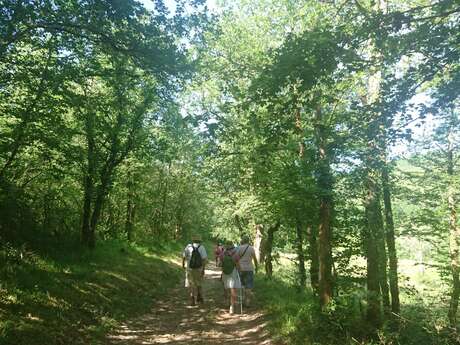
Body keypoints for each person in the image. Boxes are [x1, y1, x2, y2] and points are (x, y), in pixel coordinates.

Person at [182, 234, 207, 306]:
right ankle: (200, 297)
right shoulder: (202, 247)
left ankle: (192, 299)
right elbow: (204, 259)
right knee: (199, 282)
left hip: (190, 268)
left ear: (193, 240)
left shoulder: (188, 246)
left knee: (191, 283)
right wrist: (203, 269)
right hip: (199, 268)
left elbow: (184, 256)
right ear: (199, 240)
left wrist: (183, 265)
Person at [219, 240, 241, 314]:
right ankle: (231, 306)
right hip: (233, 272)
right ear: (232, 246)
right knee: (232, 289)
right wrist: (240, 271)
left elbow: (220, 264)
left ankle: (227, 302)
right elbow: (237, 265)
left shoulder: (222, 254)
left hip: (225, 273)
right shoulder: (235, 254)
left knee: (226, 288)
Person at [237, 235, 258, 307]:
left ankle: (243, 299)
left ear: (242, 240)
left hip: (241, 269)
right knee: (249, 286)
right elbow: (255, 259)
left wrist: (237, 267)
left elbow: (236, 259)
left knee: (242, 285)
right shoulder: (251, 248)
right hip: (249, 269)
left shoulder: (239, 248)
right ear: (248, 241)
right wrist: (257, 267)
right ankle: (247, 301)